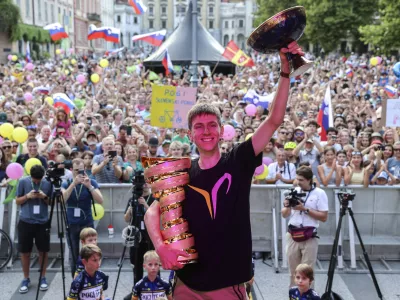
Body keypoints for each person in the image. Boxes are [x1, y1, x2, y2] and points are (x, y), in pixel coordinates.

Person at [145, 41, 304, 299]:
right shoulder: (180, 172)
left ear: (221, 131)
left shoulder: (238, 159)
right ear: (190, 135)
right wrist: (161, 246)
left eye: (211, 125)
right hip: (186, 285)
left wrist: (285, 73)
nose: (206, 131)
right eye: (199, 127)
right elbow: (151, 213)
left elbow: (274, 119)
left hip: (227, 286)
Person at [281, 166, 328, 287]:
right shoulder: (294, 191)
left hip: (309, 236)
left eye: (301, 180)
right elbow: (284, 215)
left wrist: (304, 209)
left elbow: (324, 217)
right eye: (297, 179)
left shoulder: (319, 193)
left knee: (306, 272)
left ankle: (307, 296)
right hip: (293, 235)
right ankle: (294, 296)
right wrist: (287, 205)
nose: (298, 182)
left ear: (309, 180)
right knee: (293, 271)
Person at [62, 158, 103, 276]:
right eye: (76, 171)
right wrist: (73, 184)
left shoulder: (91, 182)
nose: (78, 173)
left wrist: (89, 186)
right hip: (72, 222)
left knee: (91, 251)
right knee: (74, 253)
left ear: (85, 169)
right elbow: (62, 199)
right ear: (71, 170)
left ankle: (92, 277)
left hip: (87, 222)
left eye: (81, 170)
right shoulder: (67, 182)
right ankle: (76, 280)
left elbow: (100, 200)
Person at [16, 165, 52, 293]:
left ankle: (43, 277)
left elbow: (52, 202)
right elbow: (17, 201)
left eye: (39, 180)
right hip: (26, 221)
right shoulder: (23, 182)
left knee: (43, 251)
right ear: (30, 176)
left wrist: (44, 197)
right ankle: (26, 278)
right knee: (25, 252)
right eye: (35, 180)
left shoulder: (48, 183)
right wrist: (27, 197)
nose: (37, 182)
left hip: (42, 222)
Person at [123, 183, 156, 300]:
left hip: (150, 238)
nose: (145, 185)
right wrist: (130, 209)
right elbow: (126, 219)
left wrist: (145, 205)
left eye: (147, 183)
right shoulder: (133, 199)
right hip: (136, 237)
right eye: (143, 183)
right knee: (137, 267)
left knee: (153, 265)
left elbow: (157, 216)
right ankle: (137, 291)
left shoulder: (154, 198)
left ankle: (154, 290)